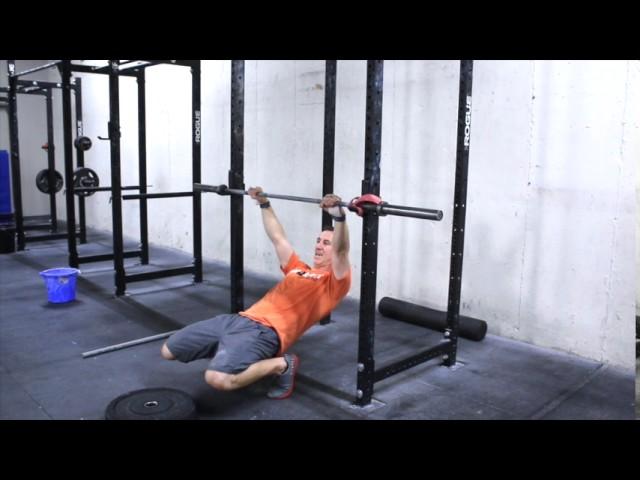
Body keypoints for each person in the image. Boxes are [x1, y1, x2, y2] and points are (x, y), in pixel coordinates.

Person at [161, 187, 351, 399]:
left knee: (217, 379)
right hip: (237, 320)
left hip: (266, 332)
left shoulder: (334, 283)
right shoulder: (298, 269)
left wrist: (339, 218)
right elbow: (278, 238)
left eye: (326, 244)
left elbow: (341, 251)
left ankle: (282, 365)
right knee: (169, 350)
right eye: (318, 240)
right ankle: (230, 350)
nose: (319, 246)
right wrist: (264, 203)